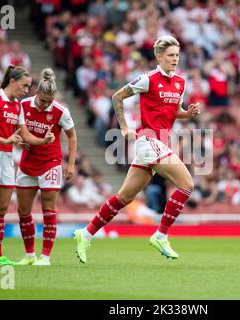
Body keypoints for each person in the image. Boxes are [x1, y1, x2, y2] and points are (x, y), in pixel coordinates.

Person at [73, 35, 201, 262]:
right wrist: (124, 128)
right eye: (171, 55)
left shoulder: (180, 82)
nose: (175, 59)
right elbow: (117, 97)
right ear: (159, 56)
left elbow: (175, 111)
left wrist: (187, 113)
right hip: (148, 140)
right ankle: (161, 235)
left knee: (124, 196)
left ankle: (86, 233)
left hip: (161, 142)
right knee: (187, 183)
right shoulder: (148, 79)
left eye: (177, 55)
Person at [0, 65, 55, 266]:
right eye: (25, 86)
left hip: (7, 158)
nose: (27, 90)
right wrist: (4, 140)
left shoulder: (17, 106)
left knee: (2, 208)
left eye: (29, 87)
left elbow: (25, 134)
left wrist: (42, 141)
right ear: (12, 81)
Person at [16, 68, 77, 266]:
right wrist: (20, 141)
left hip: (50, 163)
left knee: (49, 210)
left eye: (49, 102)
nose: (45, 105)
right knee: (23, 211)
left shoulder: (60, 110)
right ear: (36, 94)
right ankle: (29, 255)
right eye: (42, 101)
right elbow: (18, 131)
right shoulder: (23, 105)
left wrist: (70, 164)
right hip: (27, 162)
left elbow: (72, 135)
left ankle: (45, 257)